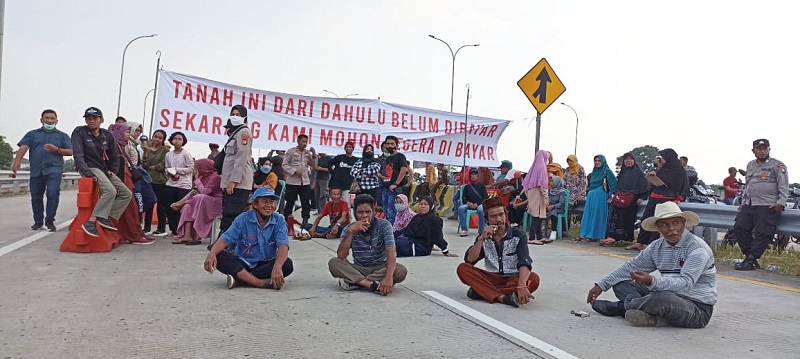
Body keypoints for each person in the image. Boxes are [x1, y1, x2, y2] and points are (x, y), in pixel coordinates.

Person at [587, 201, 716, 328]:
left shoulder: (697, 249)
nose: (671, 229)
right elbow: (631, 267)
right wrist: (602, 284)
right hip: (667, 294)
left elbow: (685, 283)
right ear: (658, 228)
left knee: (661, 298)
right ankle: (649, 313)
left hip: (696, 308)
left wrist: (651, 281)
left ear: (683, 222)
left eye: (676, 223)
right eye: (664, 225)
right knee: (621, 283)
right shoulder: (656, 247)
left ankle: (622, 308)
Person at [456, 197, 541, 307]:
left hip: (513, 278)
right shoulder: (484, 237)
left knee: (533, 279)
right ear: (487, 219)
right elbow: (469, 261)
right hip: (492, 277)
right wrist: (481, 239)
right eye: (493, 216)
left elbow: (524, 262)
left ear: (506, 215)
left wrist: (521, 285)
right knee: (462, 268)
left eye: (501, 214)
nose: (499, 219)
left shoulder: (518, 235)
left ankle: (481, 291)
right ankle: (502, 297)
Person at [204, 186, 293, 290]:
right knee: (219, 256)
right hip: (244, 263)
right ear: (255, 204)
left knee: (287, 264)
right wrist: (212, 254)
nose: (269, 205)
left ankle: (240, 279)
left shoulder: (279, 220)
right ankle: (259, 283)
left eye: (272, 202)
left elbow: (283, 245)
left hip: (266, 264)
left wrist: (277, 267)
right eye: (264, 201)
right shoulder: (242, 219)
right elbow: (226, 238)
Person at [328, 194, 408, 295]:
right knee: (334, 263)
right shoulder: (349, 228)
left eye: (368, 212)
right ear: (355, 213)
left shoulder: (384, 225)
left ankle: (355, 282)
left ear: (373, 212)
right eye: (360, 212)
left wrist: (388, 278)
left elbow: (391, 251)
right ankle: (371, 285)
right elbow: (341, 256)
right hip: (359, 268)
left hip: (380, 267)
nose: (365, 215)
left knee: (400, 270)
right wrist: (350, 233)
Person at [71, 107, 132, 237]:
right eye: (89, 118)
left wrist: (112, 171)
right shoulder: (79, 132)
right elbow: (78, 155)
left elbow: (115, 155)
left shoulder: (107, 135)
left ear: (101, 120)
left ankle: (105, 217)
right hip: (90, 167)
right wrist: (88, 173)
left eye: (95, 118)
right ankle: (91, 222)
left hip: (104, 170)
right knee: (110, 191)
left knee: (126, 193)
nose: (92, 121)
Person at [733, 139, 789, 271]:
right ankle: (749, 257)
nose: (762, 151)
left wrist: (780, 203)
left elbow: (784, 185)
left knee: (763, 233)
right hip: (750, 204)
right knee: (739, 228)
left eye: (765, 148)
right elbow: (748, 185)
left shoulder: (778, 165)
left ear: (769, 149)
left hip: (768, 205)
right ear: (753, 151)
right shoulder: (750, 165)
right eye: (759, 148)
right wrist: (743, 202)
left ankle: (751, 259)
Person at [13, 109, 73, 231]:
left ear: (56, 121)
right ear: (41, 120)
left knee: (52, 193)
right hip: (36, 170)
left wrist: (57, 150)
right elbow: (24, 147)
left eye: (52, 118)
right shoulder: (32, 134)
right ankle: (38, 221)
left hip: (54, 170)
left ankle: (50, 220)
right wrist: (17, 161)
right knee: (36, 196)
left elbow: (71, 151)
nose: (49, 121)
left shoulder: (63, 136)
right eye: (47, 118)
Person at [629, 149, 689, 250]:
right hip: (654, 198)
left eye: (663, 157)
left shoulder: (679, 170)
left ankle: (653, 246)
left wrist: (679, 198)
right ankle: (640, 242)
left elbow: (684, 186)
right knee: (647, 219)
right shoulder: (662, 169)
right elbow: (655, 184)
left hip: (667, 200)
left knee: (659, 223)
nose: (662, 159)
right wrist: (653, 177)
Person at [107, 123, 155, 245]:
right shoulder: (114, 146)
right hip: (122, 181)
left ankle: (136, 233)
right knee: (129, 210)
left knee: (132, 210)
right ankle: (133, 235)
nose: (129, 134)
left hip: (127, 179)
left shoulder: (123, 146)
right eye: (126, 132)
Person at [601, 153, 650, 247]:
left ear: (634, 161)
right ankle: (613, 238)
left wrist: (642, 198)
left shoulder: (638, 173)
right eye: (626, 159)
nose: (628, 161)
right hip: (620, 198)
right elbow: (617, 185)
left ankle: (626, 238)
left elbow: (646, 187)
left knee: (627, 219)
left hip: (632, 199)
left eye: (631, 159)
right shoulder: (622, 172)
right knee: (614, 217)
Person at [220, 105, 255, 234]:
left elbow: (241, 158)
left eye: (238, 114)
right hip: (231, 181)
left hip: (237, 183)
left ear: (245, 117)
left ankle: (227, 245)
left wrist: (233, 181)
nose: (235, 117)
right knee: (228, 214)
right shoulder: (235, 133)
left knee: (232, 215)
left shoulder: (243, 132)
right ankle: (223, 243)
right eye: (233, 114)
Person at [172, 159, 223, 245]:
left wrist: (196, 178)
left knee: (200, 198)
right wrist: (180, 202)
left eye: (197, 167)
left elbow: (205, 192)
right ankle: (187, 236)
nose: (195, 169)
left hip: (215, 203)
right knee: (188, 206)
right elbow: (193, 192)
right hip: (202, 202)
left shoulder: (216, 177)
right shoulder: (202, 177)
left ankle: (198, 235)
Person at [577, 155, 617, 242]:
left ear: (603, 161)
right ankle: (585, 234)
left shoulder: (607, 171)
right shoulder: (594, 172)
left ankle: (594, 235)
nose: (597, 162)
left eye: (599, 161)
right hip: (591, 196)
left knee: (597, 215)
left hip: (601, 196)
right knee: (588, 215)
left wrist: (610, 194)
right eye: (595, 161)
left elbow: (614, 184)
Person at [163, 132, 194, 237]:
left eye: (180, 139)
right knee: (169, 207)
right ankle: (174, 229)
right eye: (175, 138)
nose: (177, 141)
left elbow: (191, 168)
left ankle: (182, 230)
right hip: (171, 183)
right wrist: (170, 172)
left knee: (181, 207)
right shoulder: (168, 154)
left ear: (183, 141)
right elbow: (166, 168)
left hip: (184, 184)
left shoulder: (186, 154)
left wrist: (177, 170)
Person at [282, 134, 315, 228]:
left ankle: (305, 220)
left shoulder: (307, 153)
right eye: (303, 141)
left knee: (306, 202)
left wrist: (314, 156)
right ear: (298, 141)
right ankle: (286, 221)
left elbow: (313, 165)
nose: (304, 144)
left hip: (304, 182)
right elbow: (284, 165)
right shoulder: (291, 152)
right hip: (292, 182)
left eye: (306, 142)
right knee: (290, 202)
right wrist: (294, 171)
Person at [142, 129, 169, 236]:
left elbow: (162, 165)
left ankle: (161, 228)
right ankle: (146, 227)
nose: (157, 139)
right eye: (155, 136)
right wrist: (146, 153)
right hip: (148, 181)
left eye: (160, 138)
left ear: (163, 140)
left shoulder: (165, 151)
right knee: (149, 204)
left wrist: (153, 167)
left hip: (161, 181)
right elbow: (145, 165)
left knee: (161, 206)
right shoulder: (147, 149)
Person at [521, 150, 550, 242]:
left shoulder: (533, 167)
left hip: (532, 194)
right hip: (539, 194)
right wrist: (546, 197)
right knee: (537, 216)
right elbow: (542, 184)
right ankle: (532, 237)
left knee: (537, 216)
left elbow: (526, 183)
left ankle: (539, 236)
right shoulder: (542, 168)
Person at [381, 136, 409, 225]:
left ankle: (392, 234)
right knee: (386, 212)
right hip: (385, 188)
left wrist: (396, 184)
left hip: (393, 190)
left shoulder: (400, 156)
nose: (390, 146)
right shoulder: (387, 158)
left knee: (391, 213)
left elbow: (404, 169)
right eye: (388, 144)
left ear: (397, 145)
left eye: (392, 144)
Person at [458, 168, 488, 237]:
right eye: (472, 174)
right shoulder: (467, 186)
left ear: (477, 176)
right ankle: (464, 229)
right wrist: (468, 203)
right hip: (469, 204)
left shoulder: (481, 185)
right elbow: (463, 198)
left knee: (480, 210)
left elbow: (485, 197)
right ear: (470, 176)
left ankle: (481, 230)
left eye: (475, 174)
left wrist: (477, 204)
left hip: (479, 204)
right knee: (461, 208)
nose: (474, 176)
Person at [328, 141, 358, 207]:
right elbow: (329, 163)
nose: (349, 148)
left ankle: (346, 217)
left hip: (347, 185)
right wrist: (332, 172)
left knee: (347, 205)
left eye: (350, 147)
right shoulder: (339, 157)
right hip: (335, 184)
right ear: (345, 148)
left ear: (353, 149)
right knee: (333, 204)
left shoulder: (356, 160)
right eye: (347, 147)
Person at [542, 175, 566, 242]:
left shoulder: (562, 192)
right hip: (550, 207)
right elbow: (548, 200)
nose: (550, 183)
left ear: (557, 182)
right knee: (540, 211)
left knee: (553, 212)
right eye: (550, 181)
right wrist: (547, 205)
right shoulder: (550, 191)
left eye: (552, 181)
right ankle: (539, 231)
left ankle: (554, 231)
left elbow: (561, 203)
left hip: (559, 208)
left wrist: (553, 206)